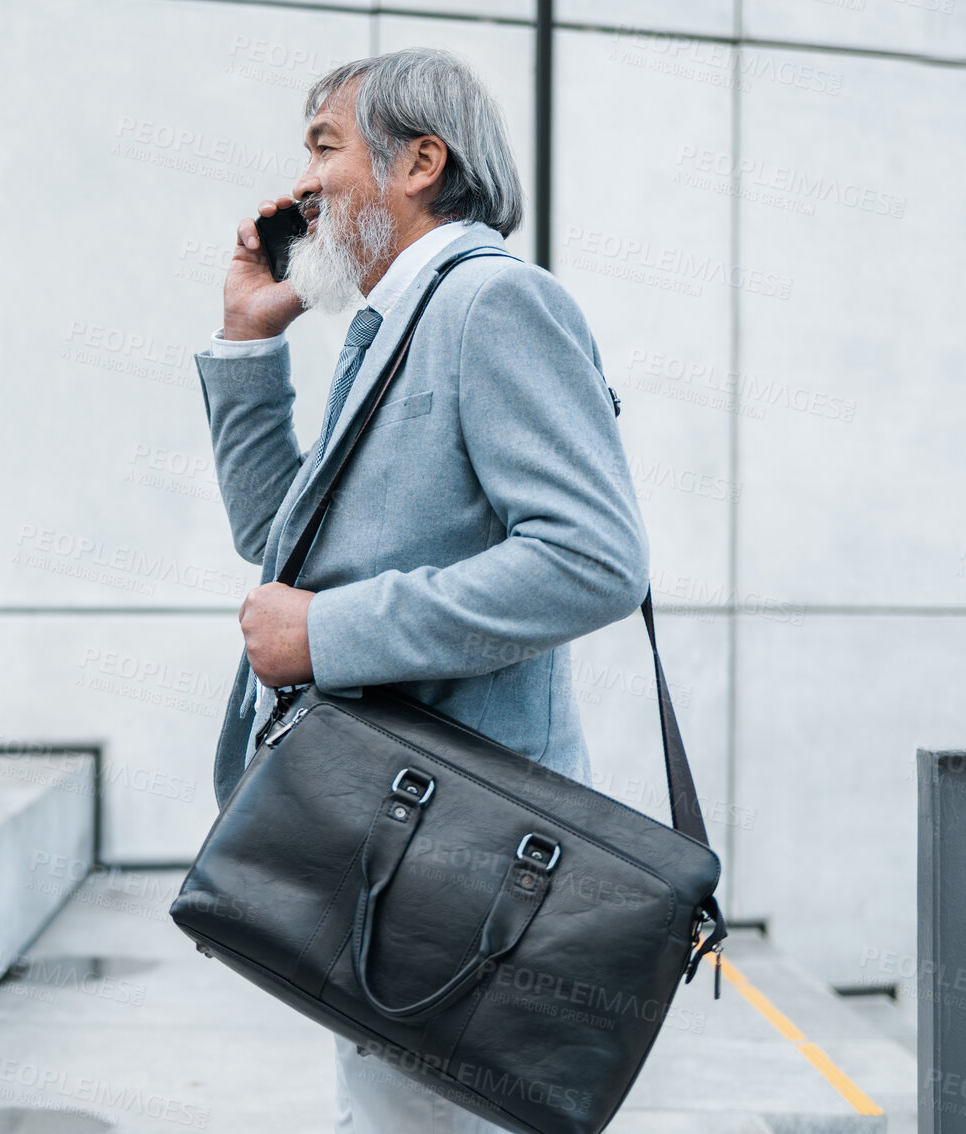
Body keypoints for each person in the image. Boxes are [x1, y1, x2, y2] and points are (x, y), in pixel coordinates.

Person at [191, 47, 651, 1133]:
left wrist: (329, 633)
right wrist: (249, 345)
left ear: (420, 163)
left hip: (462, 854)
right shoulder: (395, 323)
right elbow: (279, 540)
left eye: (325, 148)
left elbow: (592, 558)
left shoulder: (491, 304)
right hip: (395, 835)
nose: (304, 187)